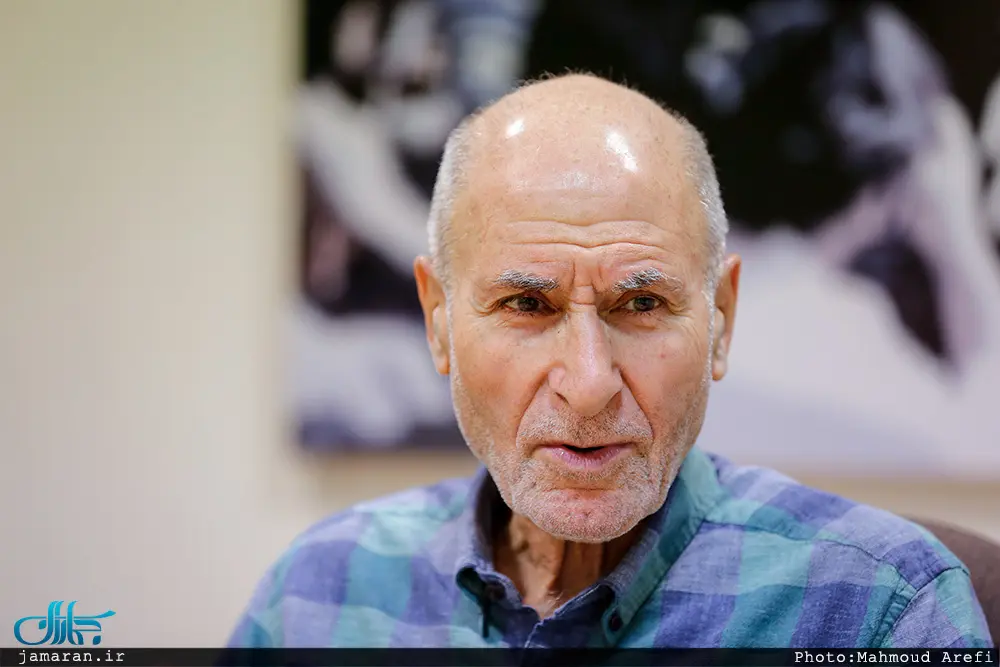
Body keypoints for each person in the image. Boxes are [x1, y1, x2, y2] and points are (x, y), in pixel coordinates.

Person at [229, 74, 993, 648]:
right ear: (438, 320)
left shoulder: (880, 609)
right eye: (527, 304)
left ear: (720, 319)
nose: (590, 384)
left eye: (643, 303)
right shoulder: (317, 593)